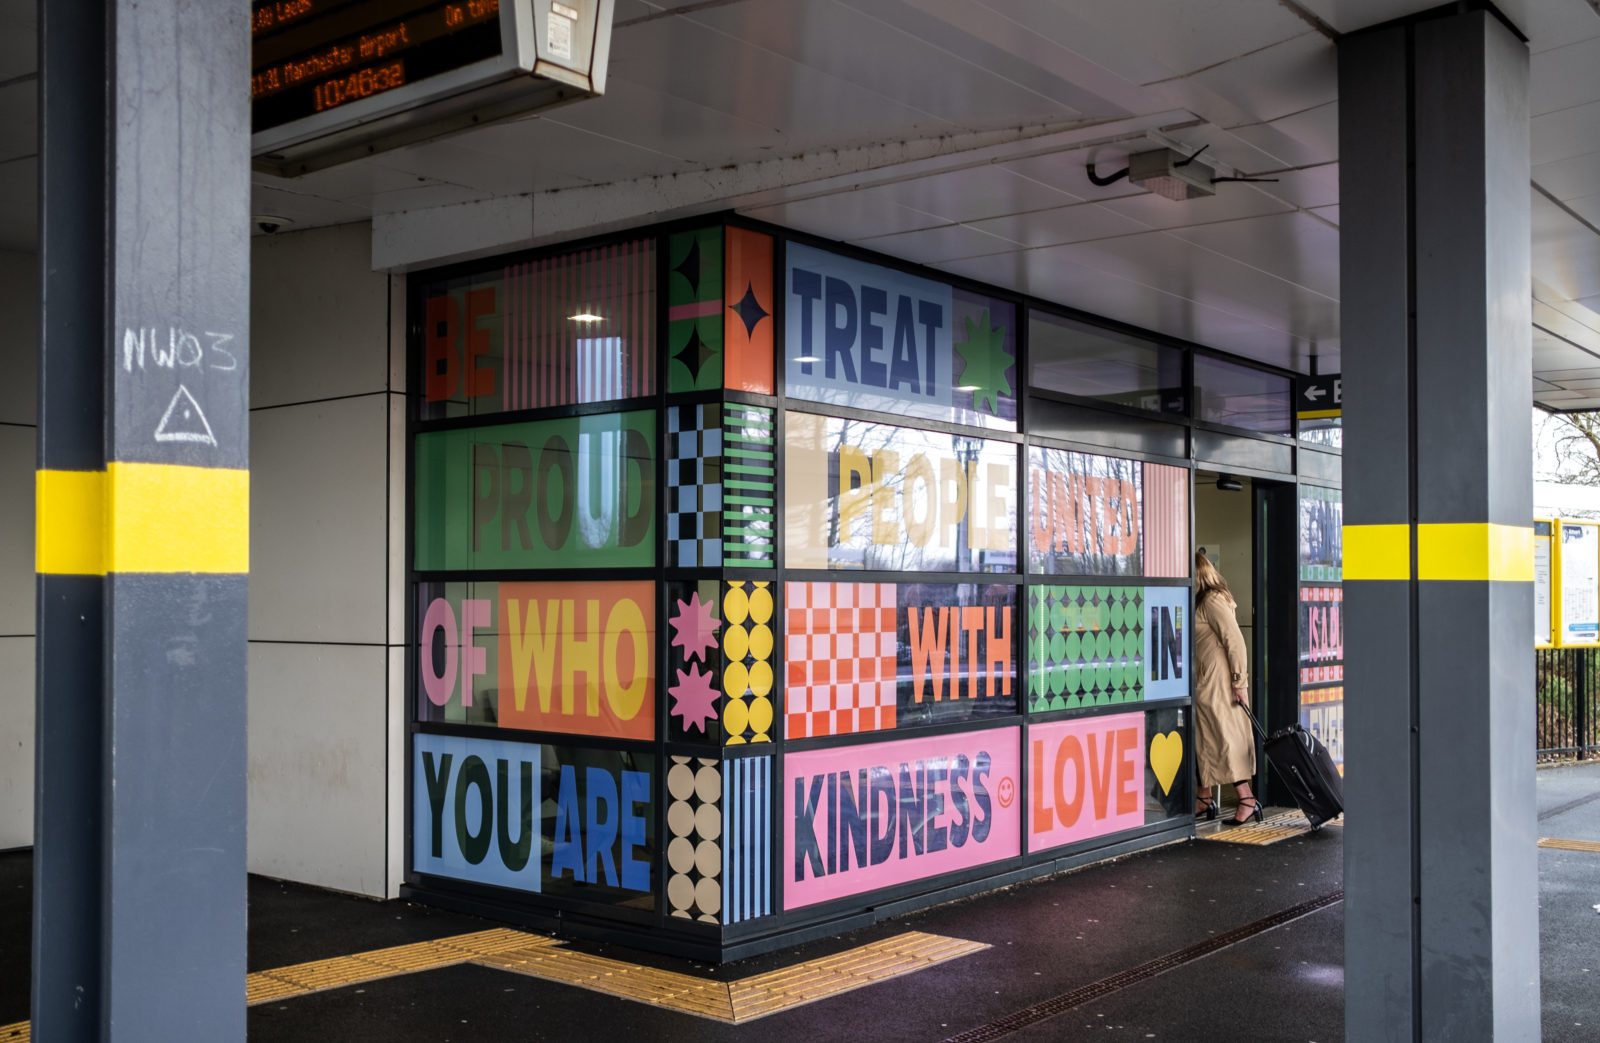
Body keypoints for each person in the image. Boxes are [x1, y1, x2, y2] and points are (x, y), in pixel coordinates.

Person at [1192, 549, 1263, 825]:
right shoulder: (1201, 601)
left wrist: (1239, 682)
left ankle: (1247, 799)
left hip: (1219, 684)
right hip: (1206, 683)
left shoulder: (1211, 601)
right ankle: (1204, 798)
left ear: (1197, 574)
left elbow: (1235, 641)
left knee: (1224, 739)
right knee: (1205, 740)